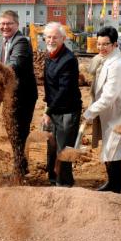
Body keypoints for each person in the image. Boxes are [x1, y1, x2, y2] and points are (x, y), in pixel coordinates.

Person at [82, 26, 121, 193]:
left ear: (114, 45)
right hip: (110, 111)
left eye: (105, 44)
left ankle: (114, 187)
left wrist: (88, 113)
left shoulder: (117, 65)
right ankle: (112, 184)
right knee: (109, 148)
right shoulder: (104, 59)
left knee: (112, 149)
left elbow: (108, 96)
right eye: (98, 44)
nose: (101, 48)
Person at [0, 10, 38, 176]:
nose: (5, 27)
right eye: (2, 24)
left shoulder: (21, 42)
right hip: (9, 95)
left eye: (9, 24)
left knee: (19, 131)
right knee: (12, 131)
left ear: (17, 25)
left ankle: (19, 170)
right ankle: (21, 165)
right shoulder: (1, 42)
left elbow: (14, 66)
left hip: (23, 95)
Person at [42, 22, 82, 187]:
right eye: (48, 37)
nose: (51, 40)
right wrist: (48, 108)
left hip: (67, 111)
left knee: (64, 149)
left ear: (63, 38)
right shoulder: (50, 56)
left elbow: (64, 90)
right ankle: (53, 178)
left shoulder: (68, 60)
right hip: (53, 109)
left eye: (55, 37)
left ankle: (64, 184)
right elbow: (50, 87)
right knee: (51, 146)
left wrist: (48, 111)